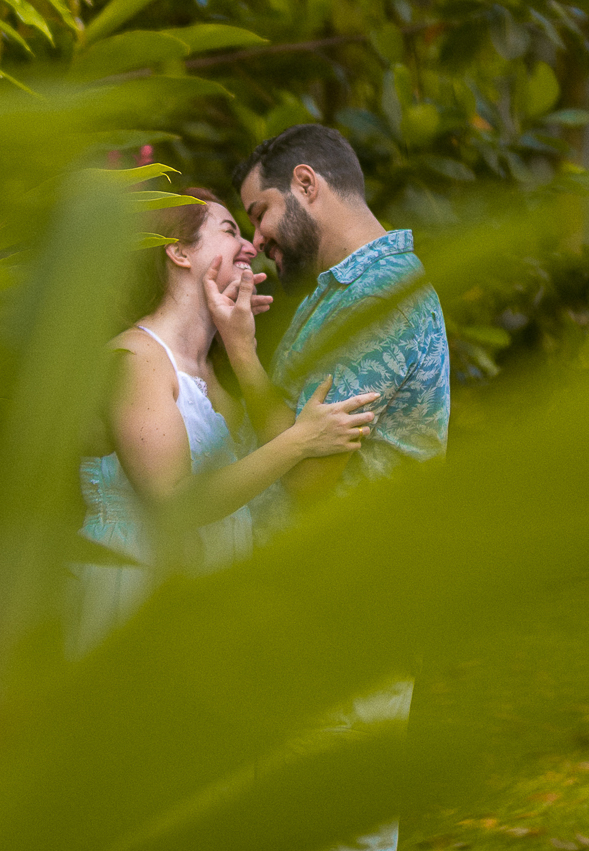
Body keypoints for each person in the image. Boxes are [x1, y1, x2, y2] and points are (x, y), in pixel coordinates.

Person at [203, 123, 449, 851]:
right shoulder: (338, 290)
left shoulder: (381, 296)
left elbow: (308, 476)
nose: (258, 240)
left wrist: (244, 357)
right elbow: (285, 434)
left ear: (306, 184)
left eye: (260, 212)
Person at [68, 188, 380, 658]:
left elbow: (254, 486)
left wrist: (240, 343)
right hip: (139, 598)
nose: (252, 246)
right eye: (230, 230)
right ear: (178, 251)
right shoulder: (136, 358)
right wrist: (300, 441)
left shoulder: (209, 375)